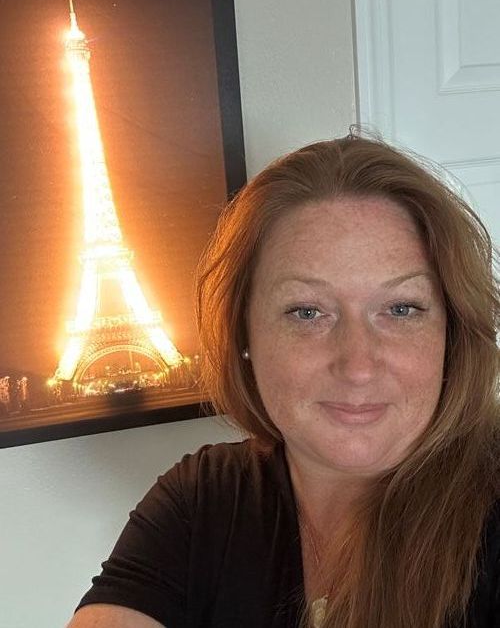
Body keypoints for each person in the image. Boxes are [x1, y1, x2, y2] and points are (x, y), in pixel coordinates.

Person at [67, 132, 500, 628]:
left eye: (401, 309)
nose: (358, 365)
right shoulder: (201, 500)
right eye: (307, 312)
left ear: (452, 333)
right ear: (244, 334)